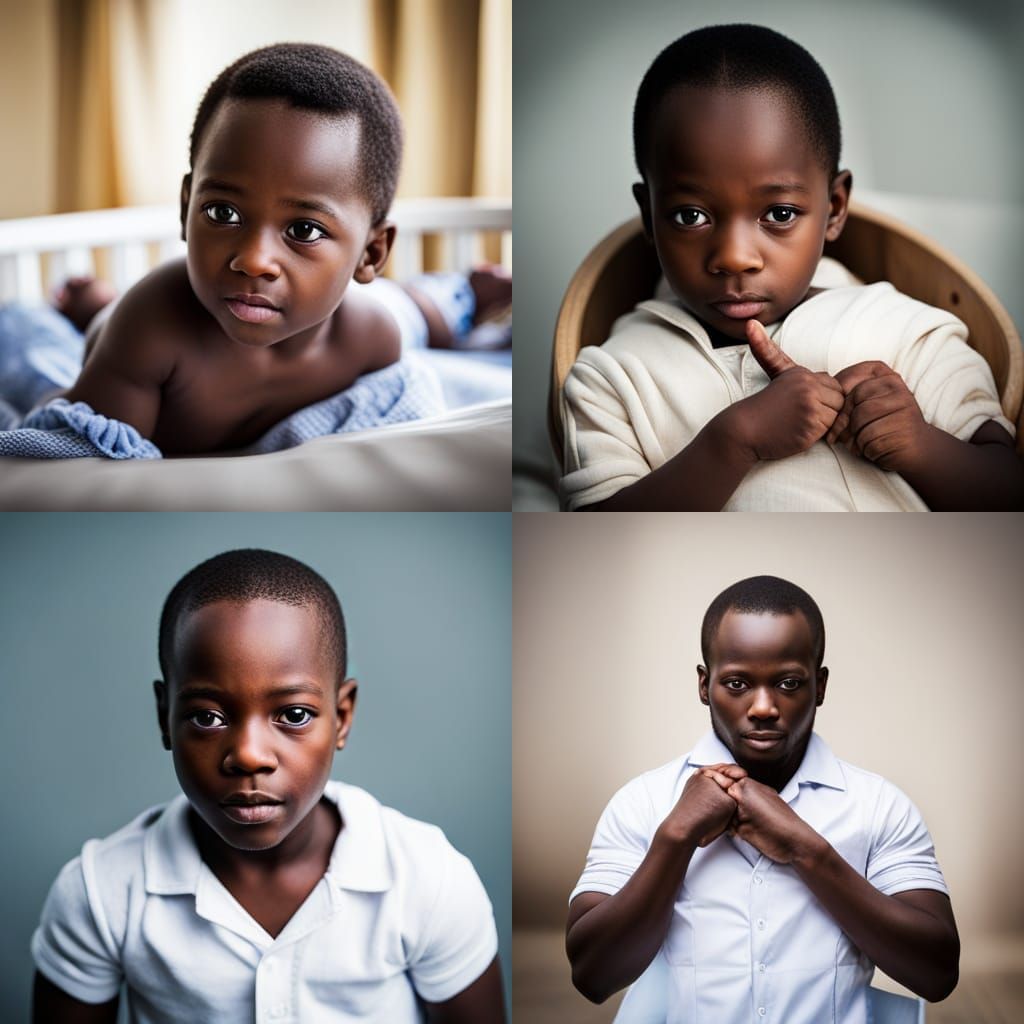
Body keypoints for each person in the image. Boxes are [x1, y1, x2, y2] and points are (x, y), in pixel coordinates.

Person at [559, 23, 1023, 511]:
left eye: (779, 214)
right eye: (690, 216)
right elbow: (596, 541)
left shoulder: (908, 331)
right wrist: (733, 441)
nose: (735, 256)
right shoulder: (611, 374)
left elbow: (1008, 493)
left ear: (836, 207)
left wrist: (919, 445)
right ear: (648, 215)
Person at [31, 549, 505, 1023]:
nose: (250, 755)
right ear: (165, 716)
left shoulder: (428, 879)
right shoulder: (99, 892)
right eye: (207, 717)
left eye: (294, 715)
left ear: (341, 717)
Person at [46, 43, 501, 456]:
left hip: (375, 305)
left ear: (371, 255)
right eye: (223, 213)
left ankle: (466, 296)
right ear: (187, 207)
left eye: (304, 229)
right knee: (84, 324)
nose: (254, 259)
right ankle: (92, 304)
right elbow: (93, 468)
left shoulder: (372, 337)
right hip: (115, 327)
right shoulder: (151, 331)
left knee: (421, 316)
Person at [566, 575, 959, 1022]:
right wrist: (675, 838)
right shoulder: (643, 802)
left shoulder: (880, 805)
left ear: (821, 686)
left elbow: (938, 972)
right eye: (736, 684)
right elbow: (592, 975)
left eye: (789, 684)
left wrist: (804, 848)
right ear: (703, 685)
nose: (764, 707)